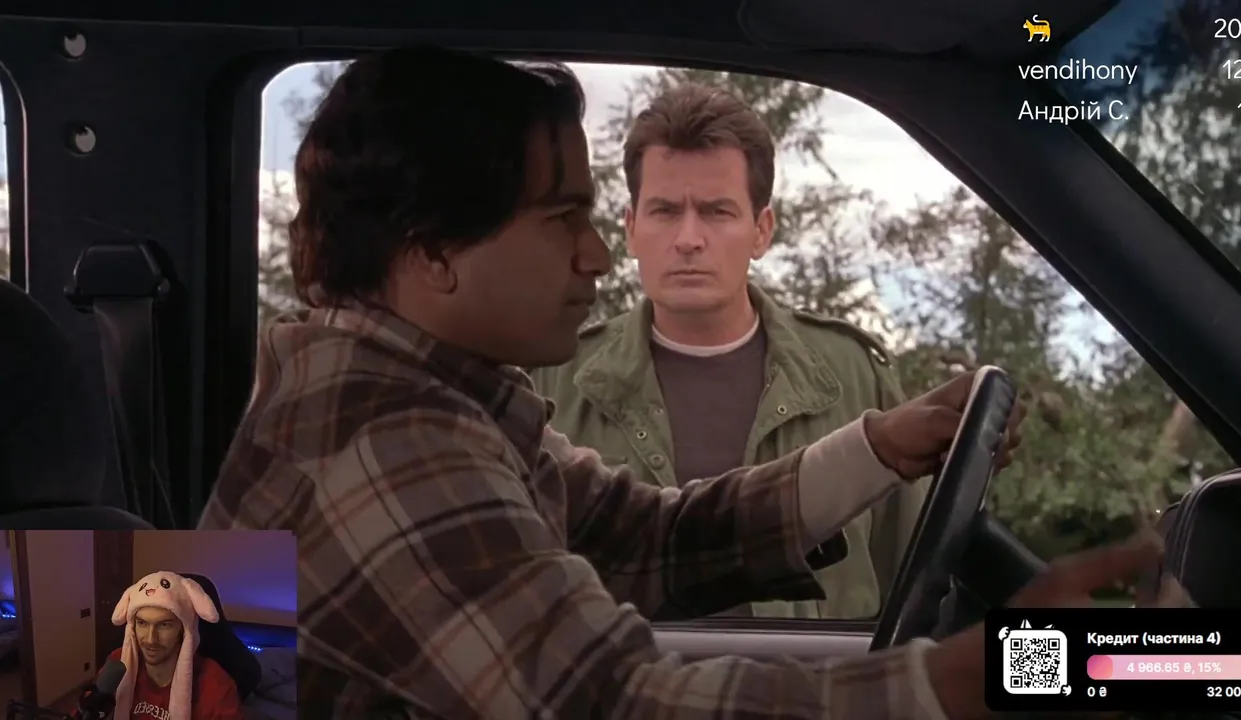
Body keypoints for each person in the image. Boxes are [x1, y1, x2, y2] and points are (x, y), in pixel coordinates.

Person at [199, 46, 1160, 718]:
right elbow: (610, 704)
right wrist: (964, 683)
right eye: (563, 218)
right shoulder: (386, 444)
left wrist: (877, 448)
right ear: (434, 251)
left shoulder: (439, 404)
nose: (596, 254)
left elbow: (646, 537)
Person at [529, 83, 922, 620]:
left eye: (716, 212)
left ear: (762, 231)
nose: (689, 238)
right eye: (665, 211)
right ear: (631, 229)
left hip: (814, 676)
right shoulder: (552, 379)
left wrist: (1007, 653)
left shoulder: (851, 373)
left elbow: (920, 590)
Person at [104, 571, 242, 720]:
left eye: (164, 625)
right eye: (142, 623)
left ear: (184, 629)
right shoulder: (118, 663)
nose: (150, 640)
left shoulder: (215, 686)